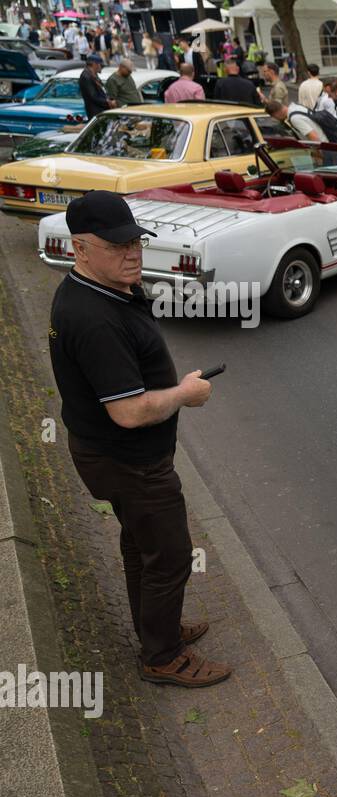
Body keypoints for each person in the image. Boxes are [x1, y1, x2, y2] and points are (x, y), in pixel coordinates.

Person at [50, 191, 230, 689]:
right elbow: (128, 412)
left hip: (115, 457)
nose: (132, 253)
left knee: (143, 546)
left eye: (135, 242)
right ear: (80, 248)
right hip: (129, 461)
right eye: (117, 246)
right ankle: (163, 656)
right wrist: (184, 394)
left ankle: (159, 627)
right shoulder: (93, 318)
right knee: (170, 555)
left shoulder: (103, 291)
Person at [79, 55, 111, 120]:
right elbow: (93, 96)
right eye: (101, 65)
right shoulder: (86, 76)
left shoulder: (93, 75)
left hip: (101, 110)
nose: (102, 68)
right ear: (94, 64)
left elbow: (101, 90)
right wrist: (108, 102)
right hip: (95, 113)